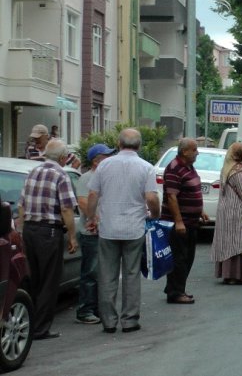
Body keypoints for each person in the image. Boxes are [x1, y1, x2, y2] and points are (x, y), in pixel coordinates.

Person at [87, 128, 160, 333]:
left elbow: (93, 194)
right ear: (139, 145)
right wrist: (155, 215)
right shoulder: (146, 167)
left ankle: (108, 321)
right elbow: (152, 198)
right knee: (131, 274)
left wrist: (92, 218)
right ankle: (129, 320)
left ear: (119, 144)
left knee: (107, 275)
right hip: (134, 228)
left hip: (108, 227)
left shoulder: (104, 166)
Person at [17, 139, 78, 340]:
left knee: (34, 280)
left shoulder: (33, 172)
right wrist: (72, 236)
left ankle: (29, 324)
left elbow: (21, 206)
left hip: (30, 231)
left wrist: (22, 230)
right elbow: (67, 209)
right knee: (49, 281)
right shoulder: (61, 175)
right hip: (49, 232)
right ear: (62, 158)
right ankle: (40, 329)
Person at [161, 138, 209, 304]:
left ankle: (174, 287)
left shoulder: (188, 166)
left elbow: (190, 190)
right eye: (194, 150)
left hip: (191, 221)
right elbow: (172, 197)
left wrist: (200, 210)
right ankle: (176, 292)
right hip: (179, 223)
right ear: (184, 152)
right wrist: (179, 222)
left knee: (187, 257)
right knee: (179, 258)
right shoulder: (174, 168)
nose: (197, 152)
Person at [74, 143, 116, 325]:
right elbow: (83, 202)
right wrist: (96, 219)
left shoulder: (106, 178)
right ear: (96, 161)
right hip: (91, 233)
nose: (111, 159)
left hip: (105, 232)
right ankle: (85, 310)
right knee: (90, 273)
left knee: (101, 273)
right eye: (107, 157)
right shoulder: (86, 178)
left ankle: (97, 308)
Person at [212, 142, 242, 285]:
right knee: (236, 241)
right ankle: (235, 276)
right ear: (240, 155)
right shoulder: (238, 170)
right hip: (235, 210)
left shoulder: (226, 168)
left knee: (226, 241)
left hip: (223, 209)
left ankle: (225, 274)